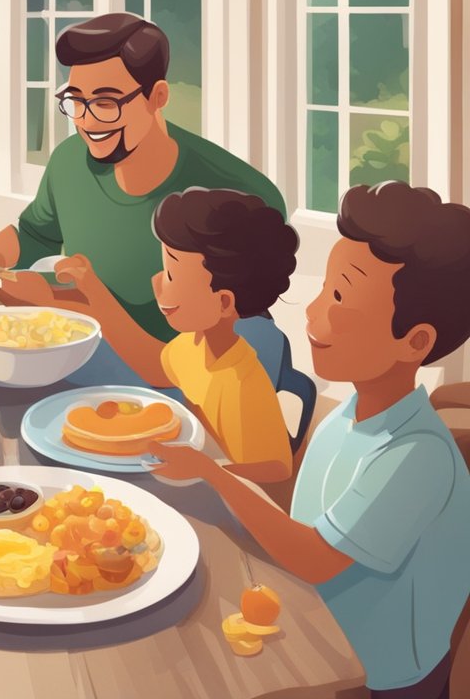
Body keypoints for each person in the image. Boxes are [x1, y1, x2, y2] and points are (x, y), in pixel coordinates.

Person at [147, 182, 470, 698]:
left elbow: (315, 556)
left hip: (380, 680)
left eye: (340, 296)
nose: (312, 313)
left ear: (415, 342)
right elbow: (300, 531)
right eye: (323, 290)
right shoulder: (345, 417)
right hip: (315, 632)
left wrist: (211, 473)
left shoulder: (417, 456)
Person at [0, 13, 285, 344]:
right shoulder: (68, 162)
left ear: (157, 97)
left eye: (107, 103)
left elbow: (236, 339)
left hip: (181, 376)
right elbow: (34, 236)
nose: (87, 121)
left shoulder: (238, 195)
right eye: (76, 101)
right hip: (88, 350)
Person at [30, 188, 296, 483]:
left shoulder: (242, 384)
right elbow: (155, 366)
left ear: (223, 302)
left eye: (171, 274)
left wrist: (204, 472)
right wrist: (93, 289)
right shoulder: (194, 344)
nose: (157, 280)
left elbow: (276, 472)